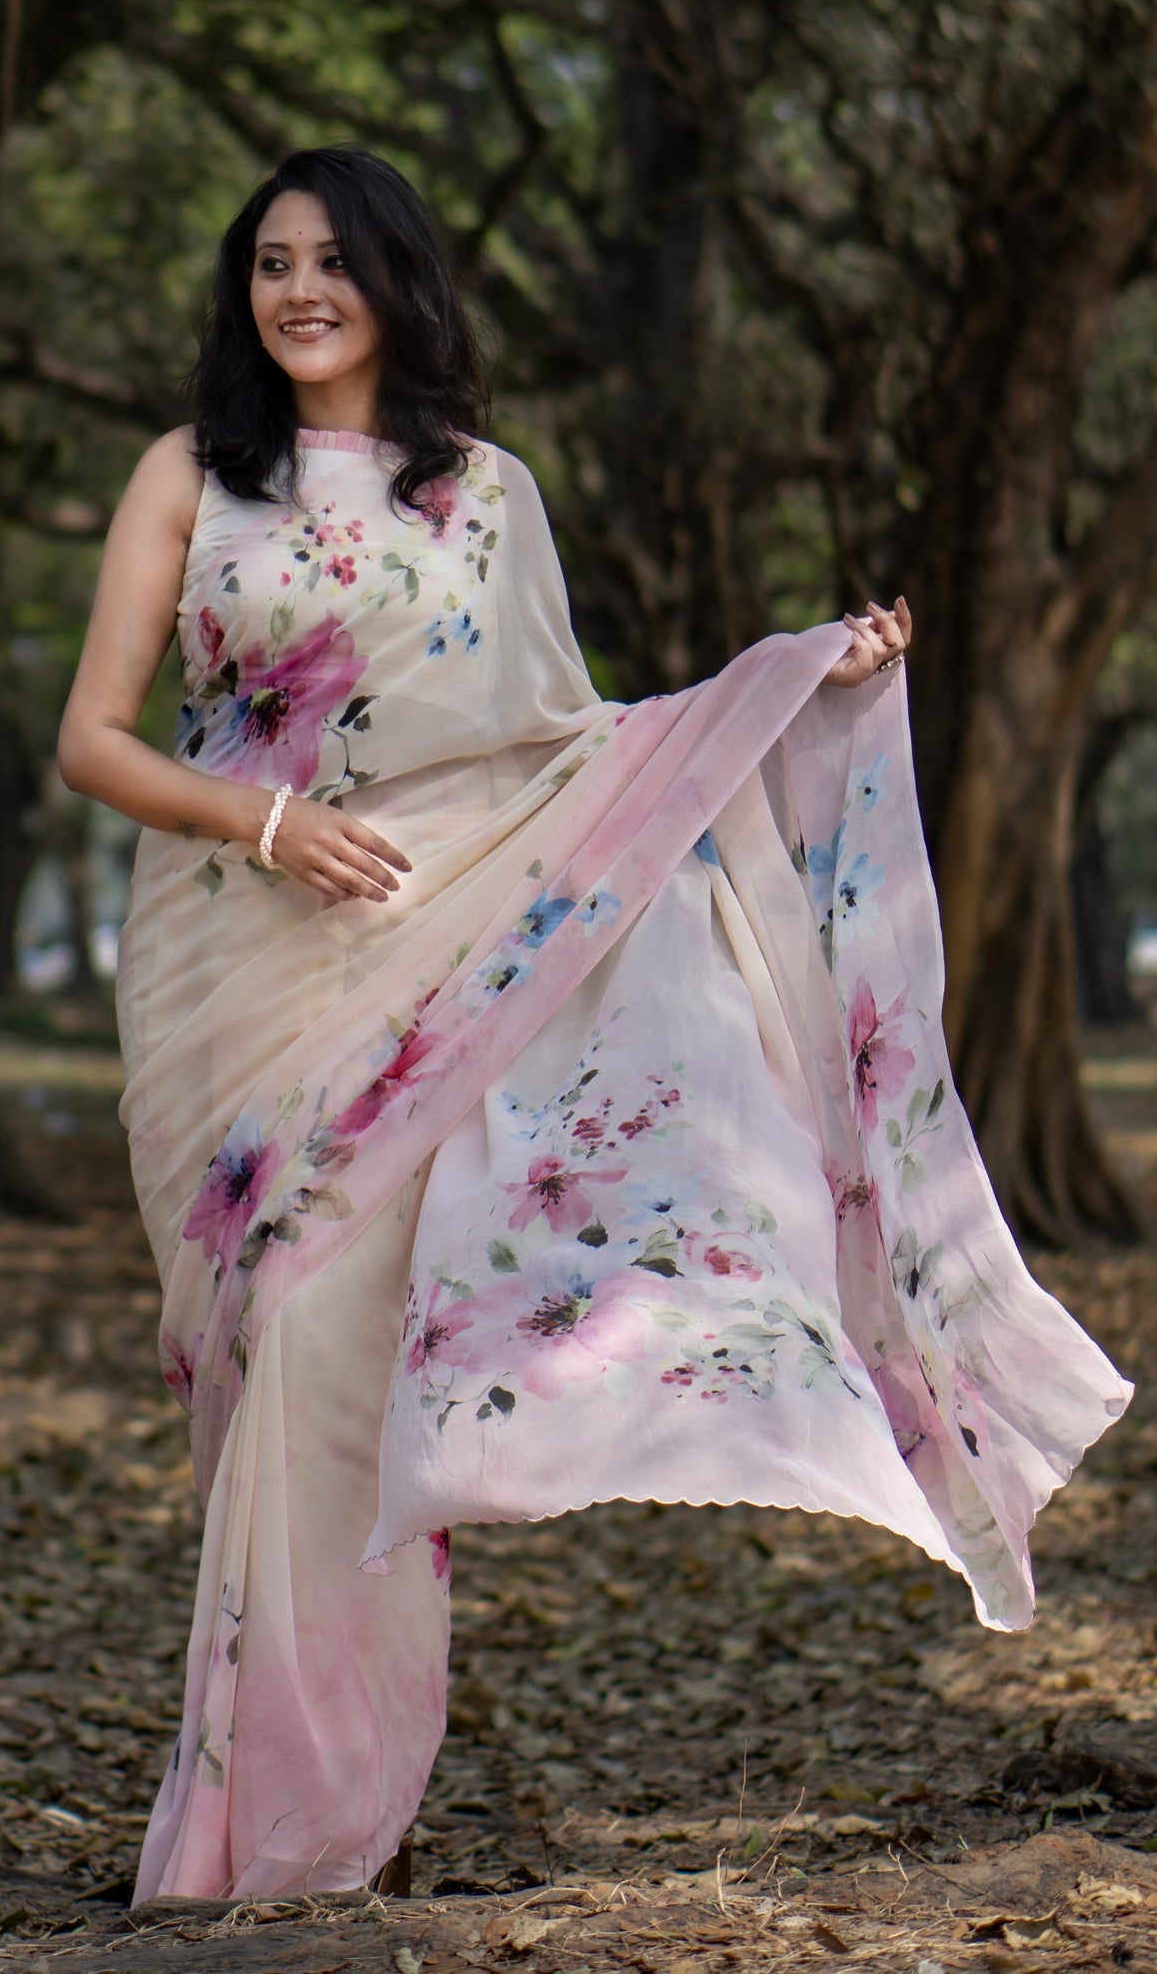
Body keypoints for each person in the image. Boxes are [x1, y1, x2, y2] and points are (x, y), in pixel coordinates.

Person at [57, 144, 1131, 1906]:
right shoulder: (191, 475)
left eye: (333, 259)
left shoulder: (487, 492)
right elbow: (93, 739)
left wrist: (792, 680)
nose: (300, 290)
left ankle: (307, 1824)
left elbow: (571, 743)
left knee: (334, 1344)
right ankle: (266, 1796)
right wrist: (264, 821)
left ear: (399, 280)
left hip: (433, 948)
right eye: (270, 262)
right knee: (260, 1354)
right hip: (230, 963)